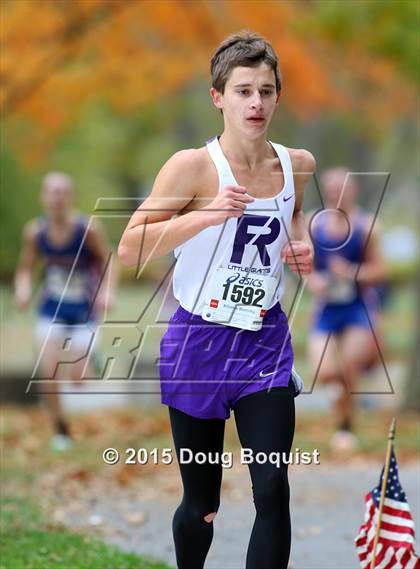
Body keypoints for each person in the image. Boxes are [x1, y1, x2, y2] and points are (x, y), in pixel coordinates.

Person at [119, 31, 314, 569]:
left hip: (263, 344)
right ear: (218, 97)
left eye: (267, 92)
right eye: (244, 91)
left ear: (278, 97)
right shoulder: (191, 167)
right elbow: (130, 247)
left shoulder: (297, 164)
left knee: (272, 488)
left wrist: (303, 248)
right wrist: (209, 213)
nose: (256, 103)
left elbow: (293, 219)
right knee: (202, 503)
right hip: (198, 344)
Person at [14, 172, 115, 451]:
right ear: (43, 197)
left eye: (62, 193)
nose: (57, 198)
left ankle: (91, 358)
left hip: (83, 310)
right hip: (51, 308)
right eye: (52, 192)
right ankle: (61, 430)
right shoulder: (35, 232)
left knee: (79, 380)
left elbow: (109, 260)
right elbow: (26, 268)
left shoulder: (88, 229)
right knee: (48, 372)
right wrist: (23, 289)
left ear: (70, 197)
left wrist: (107, 291)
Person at [307, 167, 386, 451]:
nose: (336, 194)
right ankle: (341, 404)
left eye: (342, 188)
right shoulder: (313, 224)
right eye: (331, 188)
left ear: (353, 191)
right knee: (326, 371)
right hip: (326, 308)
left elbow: (380, 270)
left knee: (349, 368)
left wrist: (352, 272)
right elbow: (306, 267)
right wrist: (313, 280)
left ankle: (344, 427)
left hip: (356, 308)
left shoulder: (367, 225)